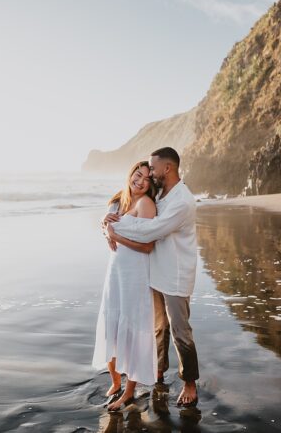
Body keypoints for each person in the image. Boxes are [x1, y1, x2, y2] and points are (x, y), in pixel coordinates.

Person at [104, 146, 200, 408]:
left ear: (167, 169)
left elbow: (150, 232)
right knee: (159, 328)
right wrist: (108, 222)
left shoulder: (182, 201)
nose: (150, 174)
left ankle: (189, 383)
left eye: (153, 169)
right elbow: (128, 205)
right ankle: (159, 371)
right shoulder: (161, 194)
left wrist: (114, 232)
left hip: (176, 274)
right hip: (154, 271)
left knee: (180, 330)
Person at [92, 161, 158, 411]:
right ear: (130, 174)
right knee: (112, 327)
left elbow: (148, 246)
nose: (140, 182)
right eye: (137, 175)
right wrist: (104, 226)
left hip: (135, 275)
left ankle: (129, 393)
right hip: (115, 273)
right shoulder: (118, 200)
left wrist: (115, 235)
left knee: (132, 330)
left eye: (146, 180)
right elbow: (106, 228)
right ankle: (115, 381)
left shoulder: (146, 204)